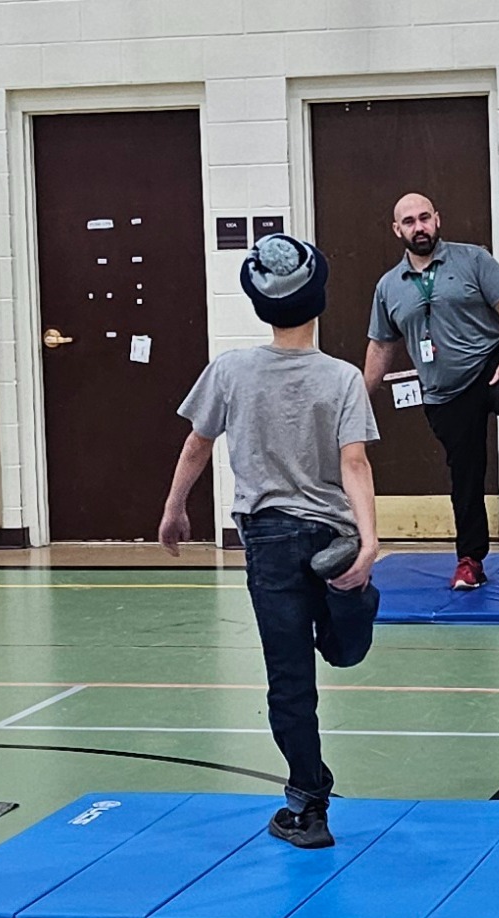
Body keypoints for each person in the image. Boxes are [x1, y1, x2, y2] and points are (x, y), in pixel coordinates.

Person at [159, 233, 380, 850]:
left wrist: (175, 509)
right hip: (331, 531)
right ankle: (352, 597)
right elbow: (355, 463)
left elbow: (197, 443)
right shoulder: (342, 379)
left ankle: (308, 807)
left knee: (290, 679)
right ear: (319, 301)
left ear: (258, 303)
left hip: (268, 539)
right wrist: (367, 541)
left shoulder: (229, 369)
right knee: (342, 652)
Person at [364, 192, 499, 591]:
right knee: (465, 475)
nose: (419, 227)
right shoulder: (388, 287)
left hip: (490, 362)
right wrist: (357, 403)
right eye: (409, 222)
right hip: (444, 392)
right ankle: (470, 561)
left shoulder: (473, 260)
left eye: (424, 218)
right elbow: (381, 346)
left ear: (438, 219)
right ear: (397, 230)